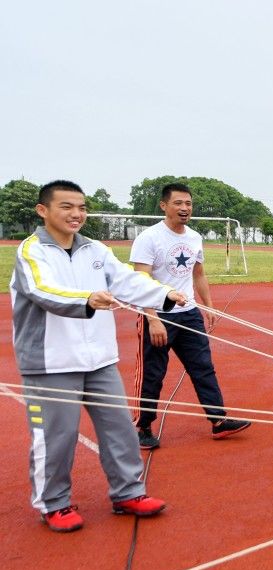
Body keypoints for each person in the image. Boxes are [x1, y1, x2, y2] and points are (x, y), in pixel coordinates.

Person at [11, 181, 186, 532]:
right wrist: (87, 299)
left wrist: (165, 294)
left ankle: (128, 493)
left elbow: (126, 281)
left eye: (81, 207)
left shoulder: (96, 250)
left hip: (99, 360)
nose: (76, 214)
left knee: (120, 429)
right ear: (43, 211)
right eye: (66, 207)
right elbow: (43, 290)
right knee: (55, 437)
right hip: (51, 363)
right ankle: (54, 503)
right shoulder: (31, 252)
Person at [130, 183, 252, 449]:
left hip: (189, 314)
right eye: (178, 203)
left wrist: (208, 306)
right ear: (164, 206)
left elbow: (198, 274)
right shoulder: (149, 238)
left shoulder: (194, 237)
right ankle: (143, 427)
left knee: (203, 368)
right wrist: (151, 318)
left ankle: (218, 421)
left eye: (188, 204)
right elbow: (140, 281)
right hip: (159, 316)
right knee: (153, 374)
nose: (185, 209)